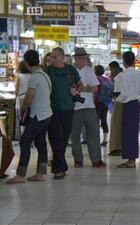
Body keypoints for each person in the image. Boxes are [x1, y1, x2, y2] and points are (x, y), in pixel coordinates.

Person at [6, 50, 52, 184]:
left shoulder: (34, 77)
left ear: (26, 63)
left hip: (37, 115)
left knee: (24, 142)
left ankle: (20, 175)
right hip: (47, 114)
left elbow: (28, 97)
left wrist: (22, 109)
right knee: (40, 142)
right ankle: (41, 173)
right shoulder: (44, 75)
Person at [46, 47, 84, 180]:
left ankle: (57, 167)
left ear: (62, 57)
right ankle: (61, 169)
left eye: (55, 57)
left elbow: (80, 84)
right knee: (55, 138)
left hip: (68, 109)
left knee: (63, 139)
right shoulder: (48, 71)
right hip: (52, 109)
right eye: (51, 57)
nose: (52, 59)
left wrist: (76, 90)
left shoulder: (71, 70)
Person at [71, 48, 106, 168]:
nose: (82, 60)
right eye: (80, 58)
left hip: (90, 106)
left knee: (94, 133)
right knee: (75, 135)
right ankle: (78, 159)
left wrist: (81, 88)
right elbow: (71, 88)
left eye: (84, 58)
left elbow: (96, 88)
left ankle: (96, 159)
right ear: (75, 59)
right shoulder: (70, 70)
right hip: (74, 108)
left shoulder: (89, 70)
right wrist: (86, 88)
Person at [114, 51, 140, 168]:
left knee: (127, 132)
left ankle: (131, 160)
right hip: (135, 103)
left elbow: (120, 94)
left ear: (124, 61)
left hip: (127, 105)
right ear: (134, 61)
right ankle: (132, 159)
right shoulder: (138, 74)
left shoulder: (122, 76)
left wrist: (115, 97)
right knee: (133, 132)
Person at [94, 65, 114, 146]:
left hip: (97, 102)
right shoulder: (107, 79)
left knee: (95, 121)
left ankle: (95, 139)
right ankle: (105, 139)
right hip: (106, 103)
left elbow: (95, 91)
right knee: (104, 121)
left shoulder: (96, 79)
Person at [108, 61, 123, 156]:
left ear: (116, 68)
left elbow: (119, 92)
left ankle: (116, 148)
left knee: (115, 126)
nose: (110, 72)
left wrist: (111, 95)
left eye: (111, 69)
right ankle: (117, 147)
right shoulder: (121, 76)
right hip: (120, 102)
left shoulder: (118, 78)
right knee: (117, 126)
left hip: (119, 102)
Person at [15, 61, 32, 139]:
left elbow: (16, 91)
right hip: (30, 98)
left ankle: (22, 137)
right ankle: (30, 137)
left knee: (22, 118)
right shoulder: (32, 76)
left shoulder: (19, 76)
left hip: (21, 98)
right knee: (29, 118)